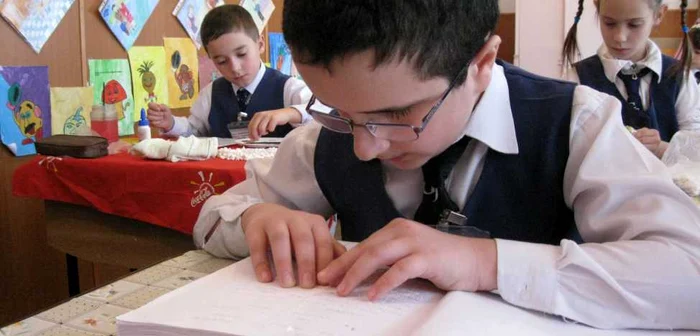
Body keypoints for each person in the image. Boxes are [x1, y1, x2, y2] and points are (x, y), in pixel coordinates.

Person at [194, 0, 700, 330]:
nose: (365, 148)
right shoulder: (322, 140)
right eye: (339, 112)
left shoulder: (575, 125)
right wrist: (259, 219)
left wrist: (487, 263)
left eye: (396, 116)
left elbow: (688, 273)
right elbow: (214, 218)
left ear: (481, 64)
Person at [147, 4, 311, 140]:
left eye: (241, 54)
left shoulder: (287, 87)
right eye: (221, 61)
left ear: (260, 44)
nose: (234, 67)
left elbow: (324, 111)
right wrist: (171, 123)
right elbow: (194, 132)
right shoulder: (210, 94)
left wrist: (290, 113)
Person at [562, 0, 700, 159]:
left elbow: (695, 150)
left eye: (634, 25)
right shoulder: (576, 78)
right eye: (609, 23)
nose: (619, 37)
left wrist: (662, 148)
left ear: (659, 14)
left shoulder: (680, 76)